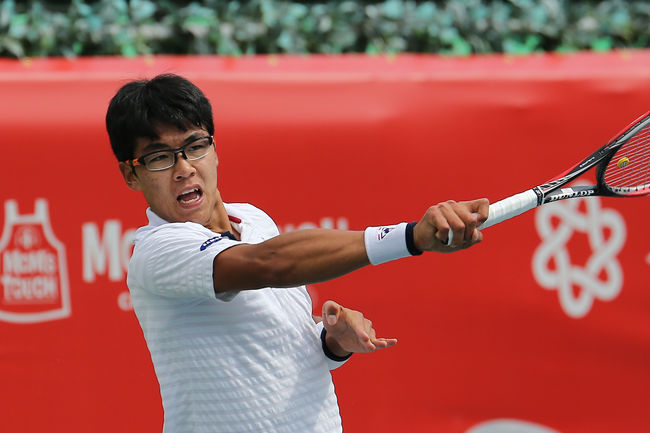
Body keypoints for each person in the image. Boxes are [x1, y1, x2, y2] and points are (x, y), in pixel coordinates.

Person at [106, 74, 488, 433]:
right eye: (159, 157)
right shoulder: (157, 250)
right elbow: (270, 263)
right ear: (131, 175)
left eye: (195, 147)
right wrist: (410, 237)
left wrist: (332, 341)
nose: (184, 169)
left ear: (214, 149)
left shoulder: (254, 220)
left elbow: (284, 342)